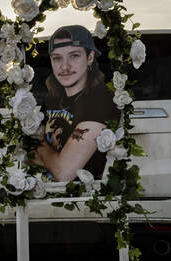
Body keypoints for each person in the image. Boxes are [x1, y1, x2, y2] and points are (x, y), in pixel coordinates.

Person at [32, 25, 118, 181]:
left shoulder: (100, 102)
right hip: (46, 189)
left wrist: (40, 142)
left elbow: (64, 173)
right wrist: (53, 159)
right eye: (57, 58)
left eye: (74, 56)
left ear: (90, 57)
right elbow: (28, 157)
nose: (65, 66)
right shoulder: (53, 99)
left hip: (81, 193)